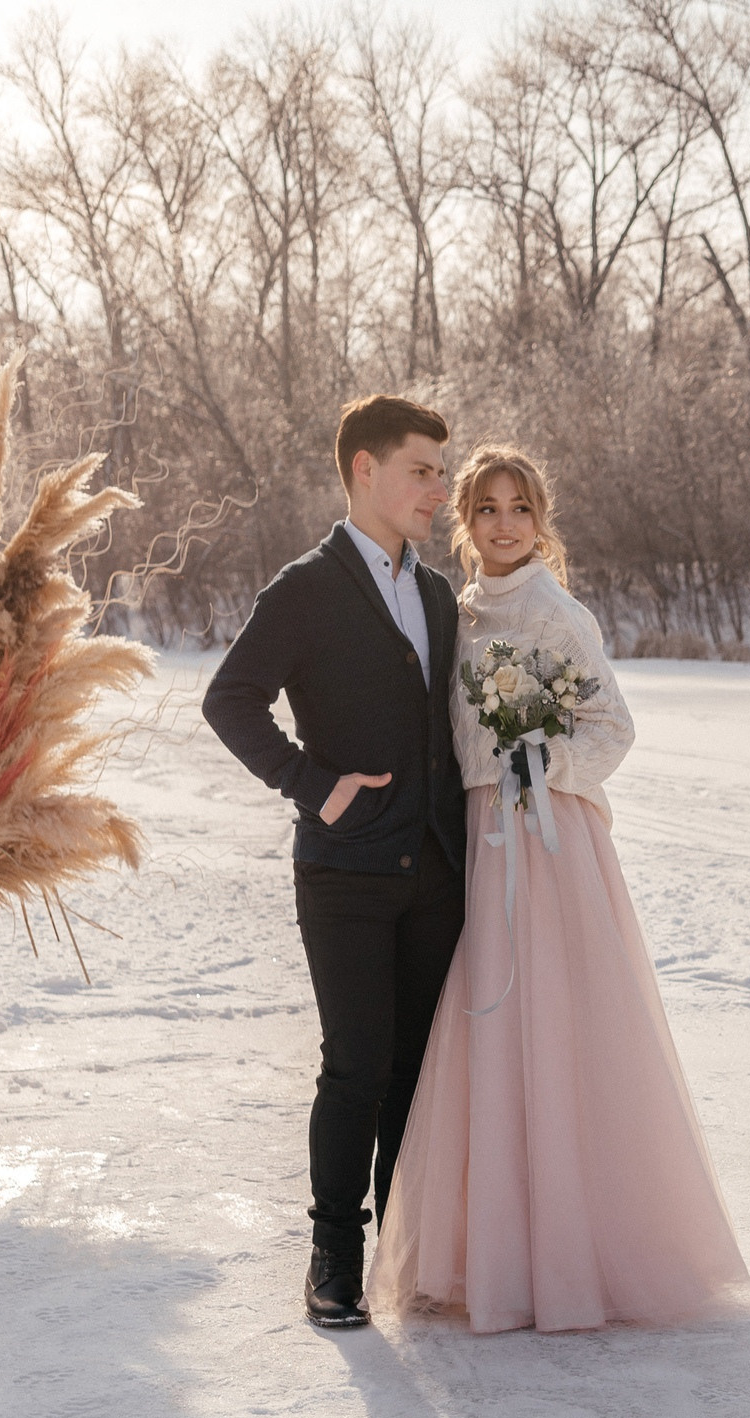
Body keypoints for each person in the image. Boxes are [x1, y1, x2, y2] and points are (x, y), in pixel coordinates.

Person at [370, 445, 750, 1333]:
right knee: (487, 1027)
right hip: (477, 836)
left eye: (521, 509)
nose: (506, 524)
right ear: (464, 521)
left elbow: (614, 725)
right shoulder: (454, 612)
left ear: (542, 522)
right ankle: (485, 1252)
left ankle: (578, 1253)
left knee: (553, 1022)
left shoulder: (557, 612)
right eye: (489, 509)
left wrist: (539, 761)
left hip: (547, 840)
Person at [202, 395, 467, 1329]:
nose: (440, 487)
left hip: (437, 873)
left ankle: (404, 1249)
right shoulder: (305, 587)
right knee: (355, 1065)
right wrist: (314, 785)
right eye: (422, 469)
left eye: (443, 470)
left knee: (416, 1070)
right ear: (364, 469)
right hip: (346, 874)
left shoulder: (438, 595)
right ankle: (335, 1259)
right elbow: (228, 699)